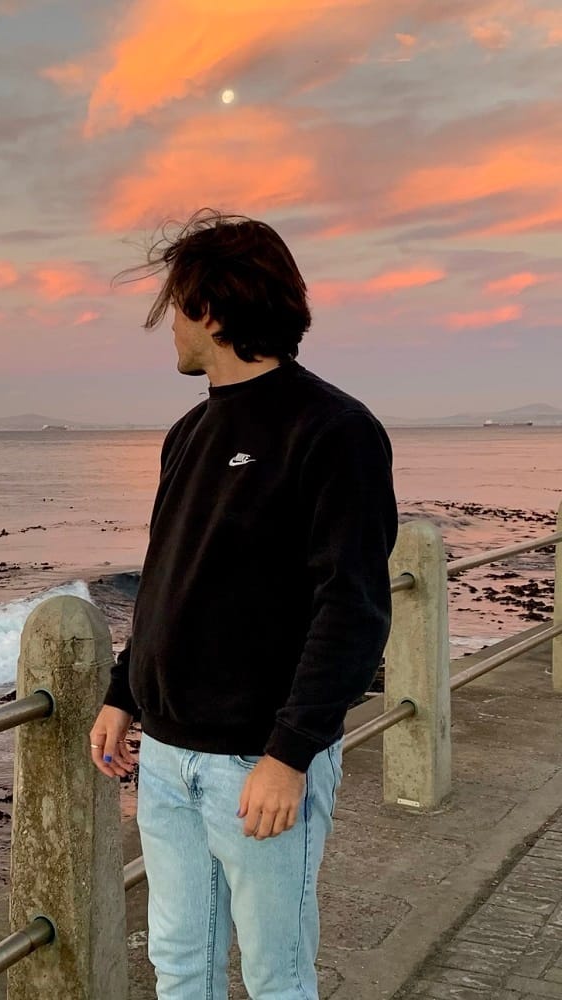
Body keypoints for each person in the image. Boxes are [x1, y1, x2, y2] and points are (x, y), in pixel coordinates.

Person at [90, 210, 398, 999]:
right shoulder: (188, 433)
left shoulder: (335, 430)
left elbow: (354, 607)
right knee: (178, 965)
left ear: (214, 311)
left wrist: (290, 755)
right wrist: (124, 695)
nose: (169, 331)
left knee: (275, 976)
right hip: (165, 758)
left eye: (175, 309)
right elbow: (168, 578)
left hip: (257, 765)